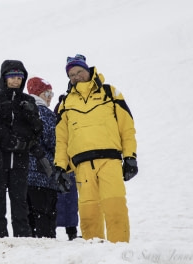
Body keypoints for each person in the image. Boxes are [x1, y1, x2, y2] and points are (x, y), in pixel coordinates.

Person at [54, 54, 138, 243]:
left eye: (79, 72)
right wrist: (60, 167)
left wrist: (130, 156)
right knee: (88, 215)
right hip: (82, 166)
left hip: (110, 161)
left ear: (88, 70)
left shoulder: (110, 93)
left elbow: (127, 127)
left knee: (115, 210)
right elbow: (62, 139)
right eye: (71, 75)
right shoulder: (66, 103)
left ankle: (119, 252)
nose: (76, 77)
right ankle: (93, 255)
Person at [0, 60, 52, 238]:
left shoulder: (28, 100)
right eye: (12, 77)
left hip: (20, 158)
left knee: (20, 203)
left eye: (19, 77)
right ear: (4, 78)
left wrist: (32, 113)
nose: (15, 81)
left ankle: (22, 240)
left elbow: (38, 131)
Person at [25, 76, 60, 238]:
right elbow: (55, 143)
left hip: (22, 177)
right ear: (38, 94)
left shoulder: (21, 110)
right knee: (45, 222)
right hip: (43, 176)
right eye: (47, 94)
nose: (50, 98)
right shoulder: (45, 114)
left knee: (28, 222)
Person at [53, 94, 79, 241]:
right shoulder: (63, 109)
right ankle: (71, 232)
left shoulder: (62, 108)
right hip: (65, 162)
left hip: (67, 163)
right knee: (67, 200)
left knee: (68, 200)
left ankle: (70, 231)